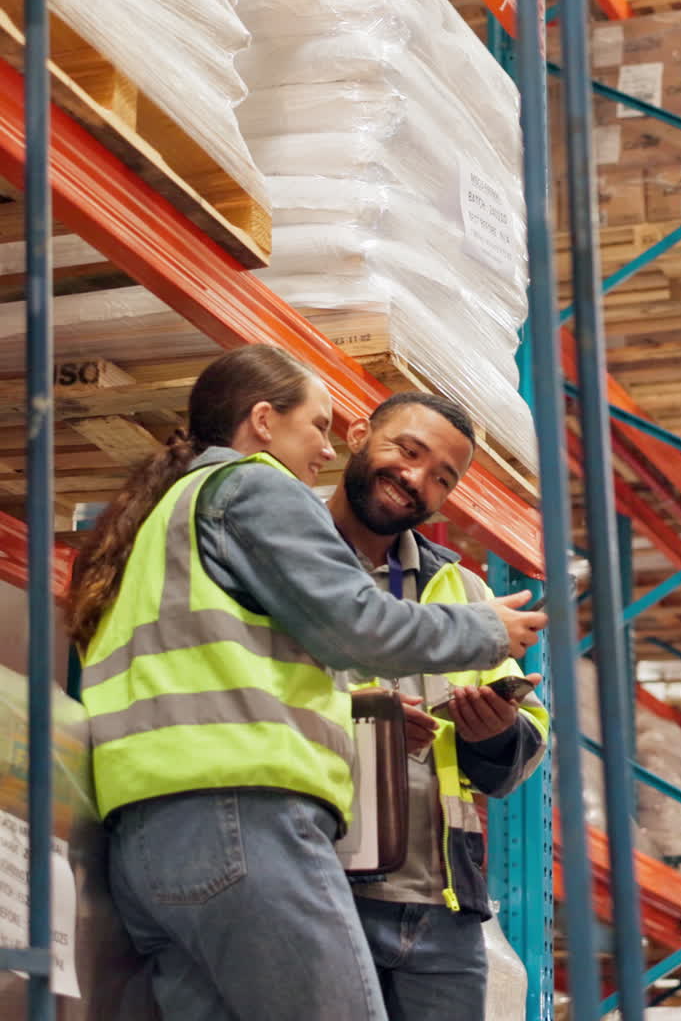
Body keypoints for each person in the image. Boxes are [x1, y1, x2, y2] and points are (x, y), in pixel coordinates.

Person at [66, 345, 547, 1021]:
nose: (319, 449)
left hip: (148, 836)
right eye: (319, 427)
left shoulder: (160, 517)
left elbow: (213, 668)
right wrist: (486, 629)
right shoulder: (258, 490)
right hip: (245, 822)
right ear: (264, 421)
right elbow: (354, 625)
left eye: (443, 478)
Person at [328, 391, 550, 1021]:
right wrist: (361, 720)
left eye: (442, 478)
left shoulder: (461, 589)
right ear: (358, 434)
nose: (416, 480)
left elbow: (526, 749)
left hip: (443, 909)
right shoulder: (294, 563)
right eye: (408, 450)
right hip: (324, 886)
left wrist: (494, 732)